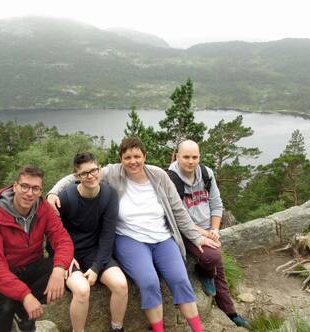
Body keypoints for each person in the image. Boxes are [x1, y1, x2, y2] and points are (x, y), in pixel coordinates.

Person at [47, 137, 220, 332]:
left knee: (180, 280)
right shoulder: (112, 172)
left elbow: (178, 210)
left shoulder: (159, 175)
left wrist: (197, 237)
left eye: (137, 156)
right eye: (127, 157)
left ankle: (198, 329)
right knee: (149, 282)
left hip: (162, 238)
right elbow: (77, 176)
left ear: (145, 156)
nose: (133, 161)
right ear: (120, 158)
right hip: (130, 239)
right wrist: (53, 193)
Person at [0, 165, 74, 332]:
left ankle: (23, 314)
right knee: (6, 305)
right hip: (1, 272)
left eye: (35, 188)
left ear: (40, 191)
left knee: (65, 267)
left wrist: (59, 270)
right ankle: (22, 311)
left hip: (30, 265)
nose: (29, 193)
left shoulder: (43, 209)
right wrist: (25, 295)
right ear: (15, 186)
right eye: (25, 186)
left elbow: (63, 240)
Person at [167, 140, 249, 328]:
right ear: (177, 156)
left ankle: (229, 310)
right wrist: (204, 234)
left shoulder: (206, 174)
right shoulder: (171, 179)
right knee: (213, 256)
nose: (191, 161)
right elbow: (179, 218)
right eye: (186, 157)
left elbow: (216, 204)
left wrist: (214, 229)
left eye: (195, 157)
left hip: (206, 228)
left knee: (216, 262)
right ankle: (204, 271)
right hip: (186, 231)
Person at [50, 152, 128, 332]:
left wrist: (96, 267)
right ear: (76, 176)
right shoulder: (66, 198)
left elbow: (108, 234)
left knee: (121, 285)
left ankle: (117, 328)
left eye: (94, 170)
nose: (91, 176)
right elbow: (52, 235)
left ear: (99, 169)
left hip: (95, 251)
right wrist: (64, 258)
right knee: (82, 290)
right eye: (84, 173)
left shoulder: (109, 195)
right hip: (70, 254)